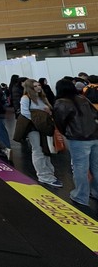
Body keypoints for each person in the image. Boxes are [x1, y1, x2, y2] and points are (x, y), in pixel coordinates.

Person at [53, 78, 98, 206]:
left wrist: (66, 133)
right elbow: (95, 114)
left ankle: (81, 196)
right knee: (96, 167)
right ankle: (96, 192)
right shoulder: (83, 99)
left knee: (80, 168)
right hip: (94, 136)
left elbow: (60, 122)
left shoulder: (61, 102)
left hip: (78, 139)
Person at [17, 78, 62, 188]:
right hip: (34, 128)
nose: (38, 87)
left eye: (39, 85)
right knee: (38, 150)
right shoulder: (26, 98)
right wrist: (39, 121)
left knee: (45, 149)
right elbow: (25, 113)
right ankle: (44, 176)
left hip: (44, 127)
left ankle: (48, 173)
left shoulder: (41, 97)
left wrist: (47, 114)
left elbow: (49, 111)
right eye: (35, 86)